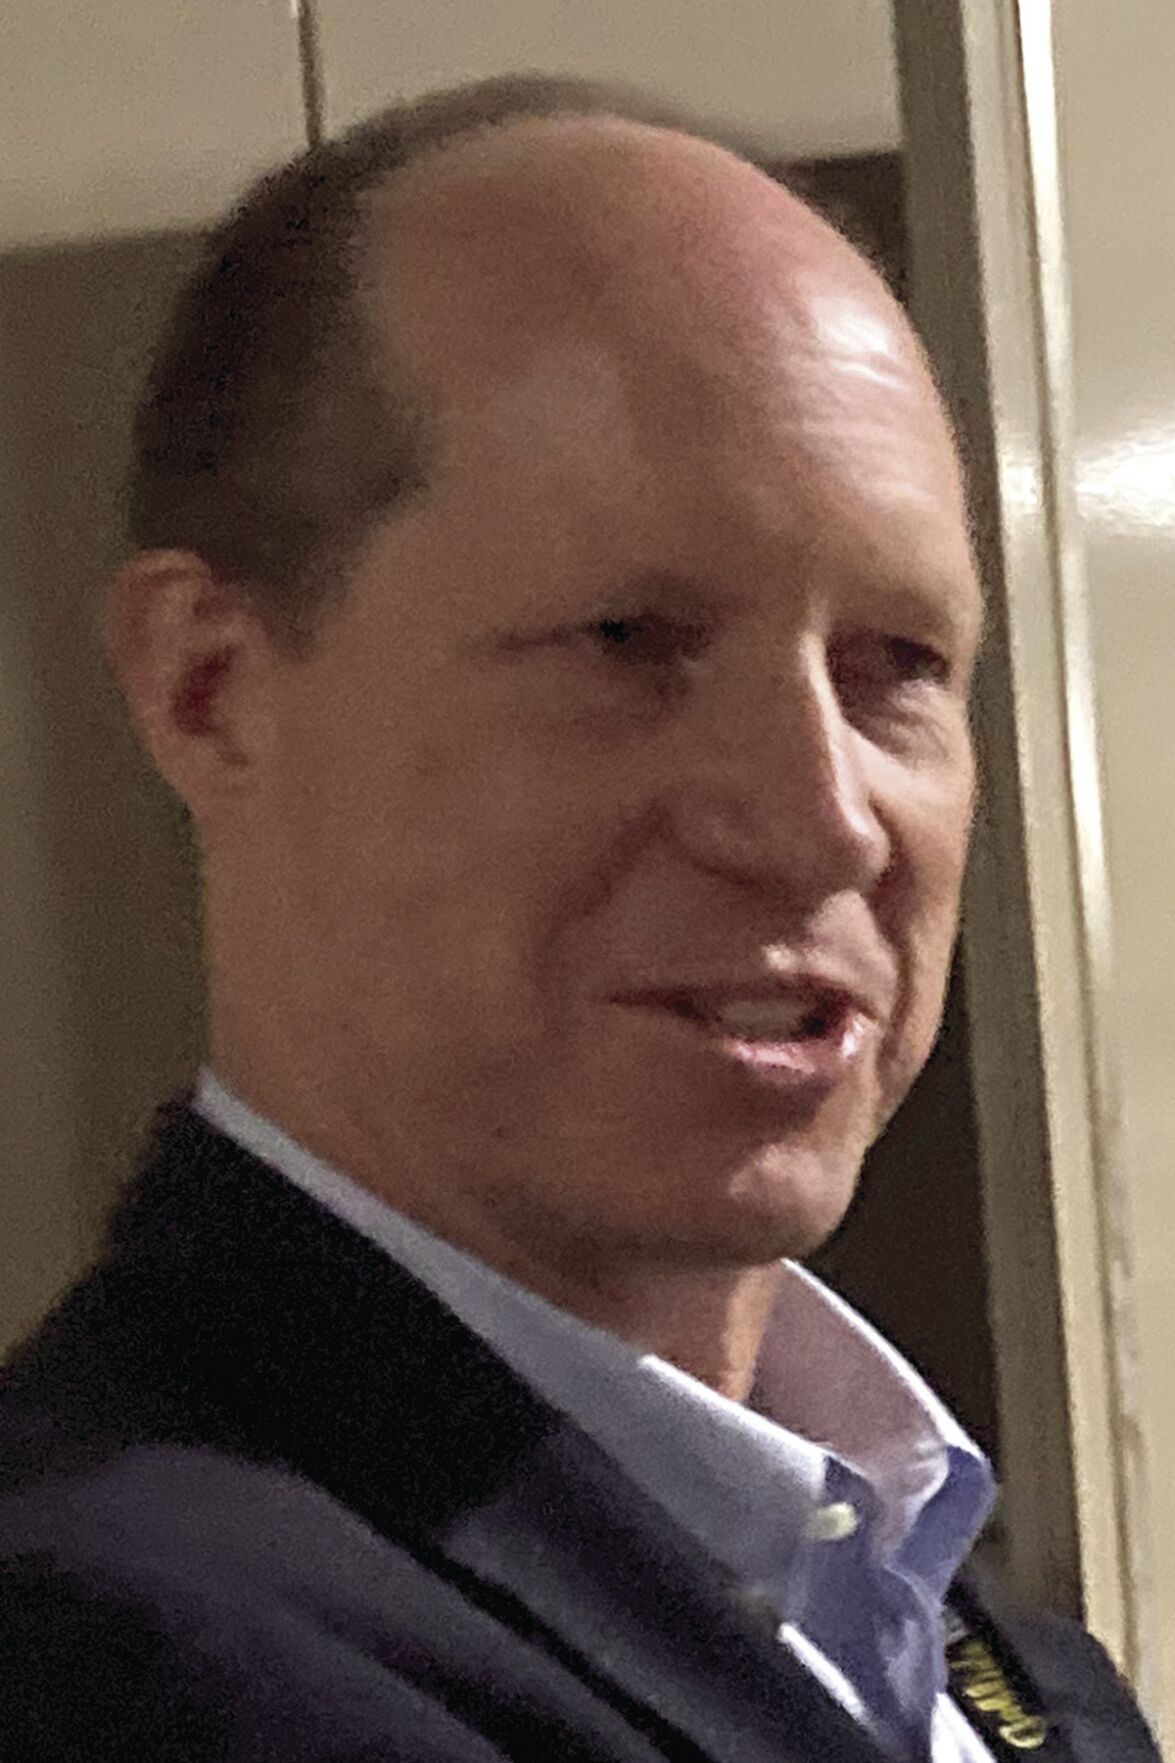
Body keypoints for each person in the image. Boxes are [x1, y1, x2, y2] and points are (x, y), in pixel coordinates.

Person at [0, 72, 1158, 1763]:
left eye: (896, 666)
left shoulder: (964, 1640)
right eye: (631, 641)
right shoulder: (120, 1659)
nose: (822, 819)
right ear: (211, 689)